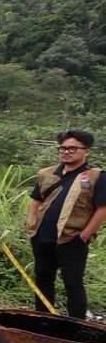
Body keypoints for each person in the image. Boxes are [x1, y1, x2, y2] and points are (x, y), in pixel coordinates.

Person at [26, 129, 106, 319]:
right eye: (63, 148)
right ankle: (43, 321)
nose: (66, 152)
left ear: (86, 151)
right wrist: (31, 222)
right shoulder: (47, 173)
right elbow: (36, 199)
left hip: (72, 239)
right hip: (43, 237)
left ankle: (76, 326)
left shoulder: (96, 176)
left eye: (72, 148)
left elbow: (102, 209)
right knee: (43, 279)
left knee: (73, 283)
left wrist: (84, 236)